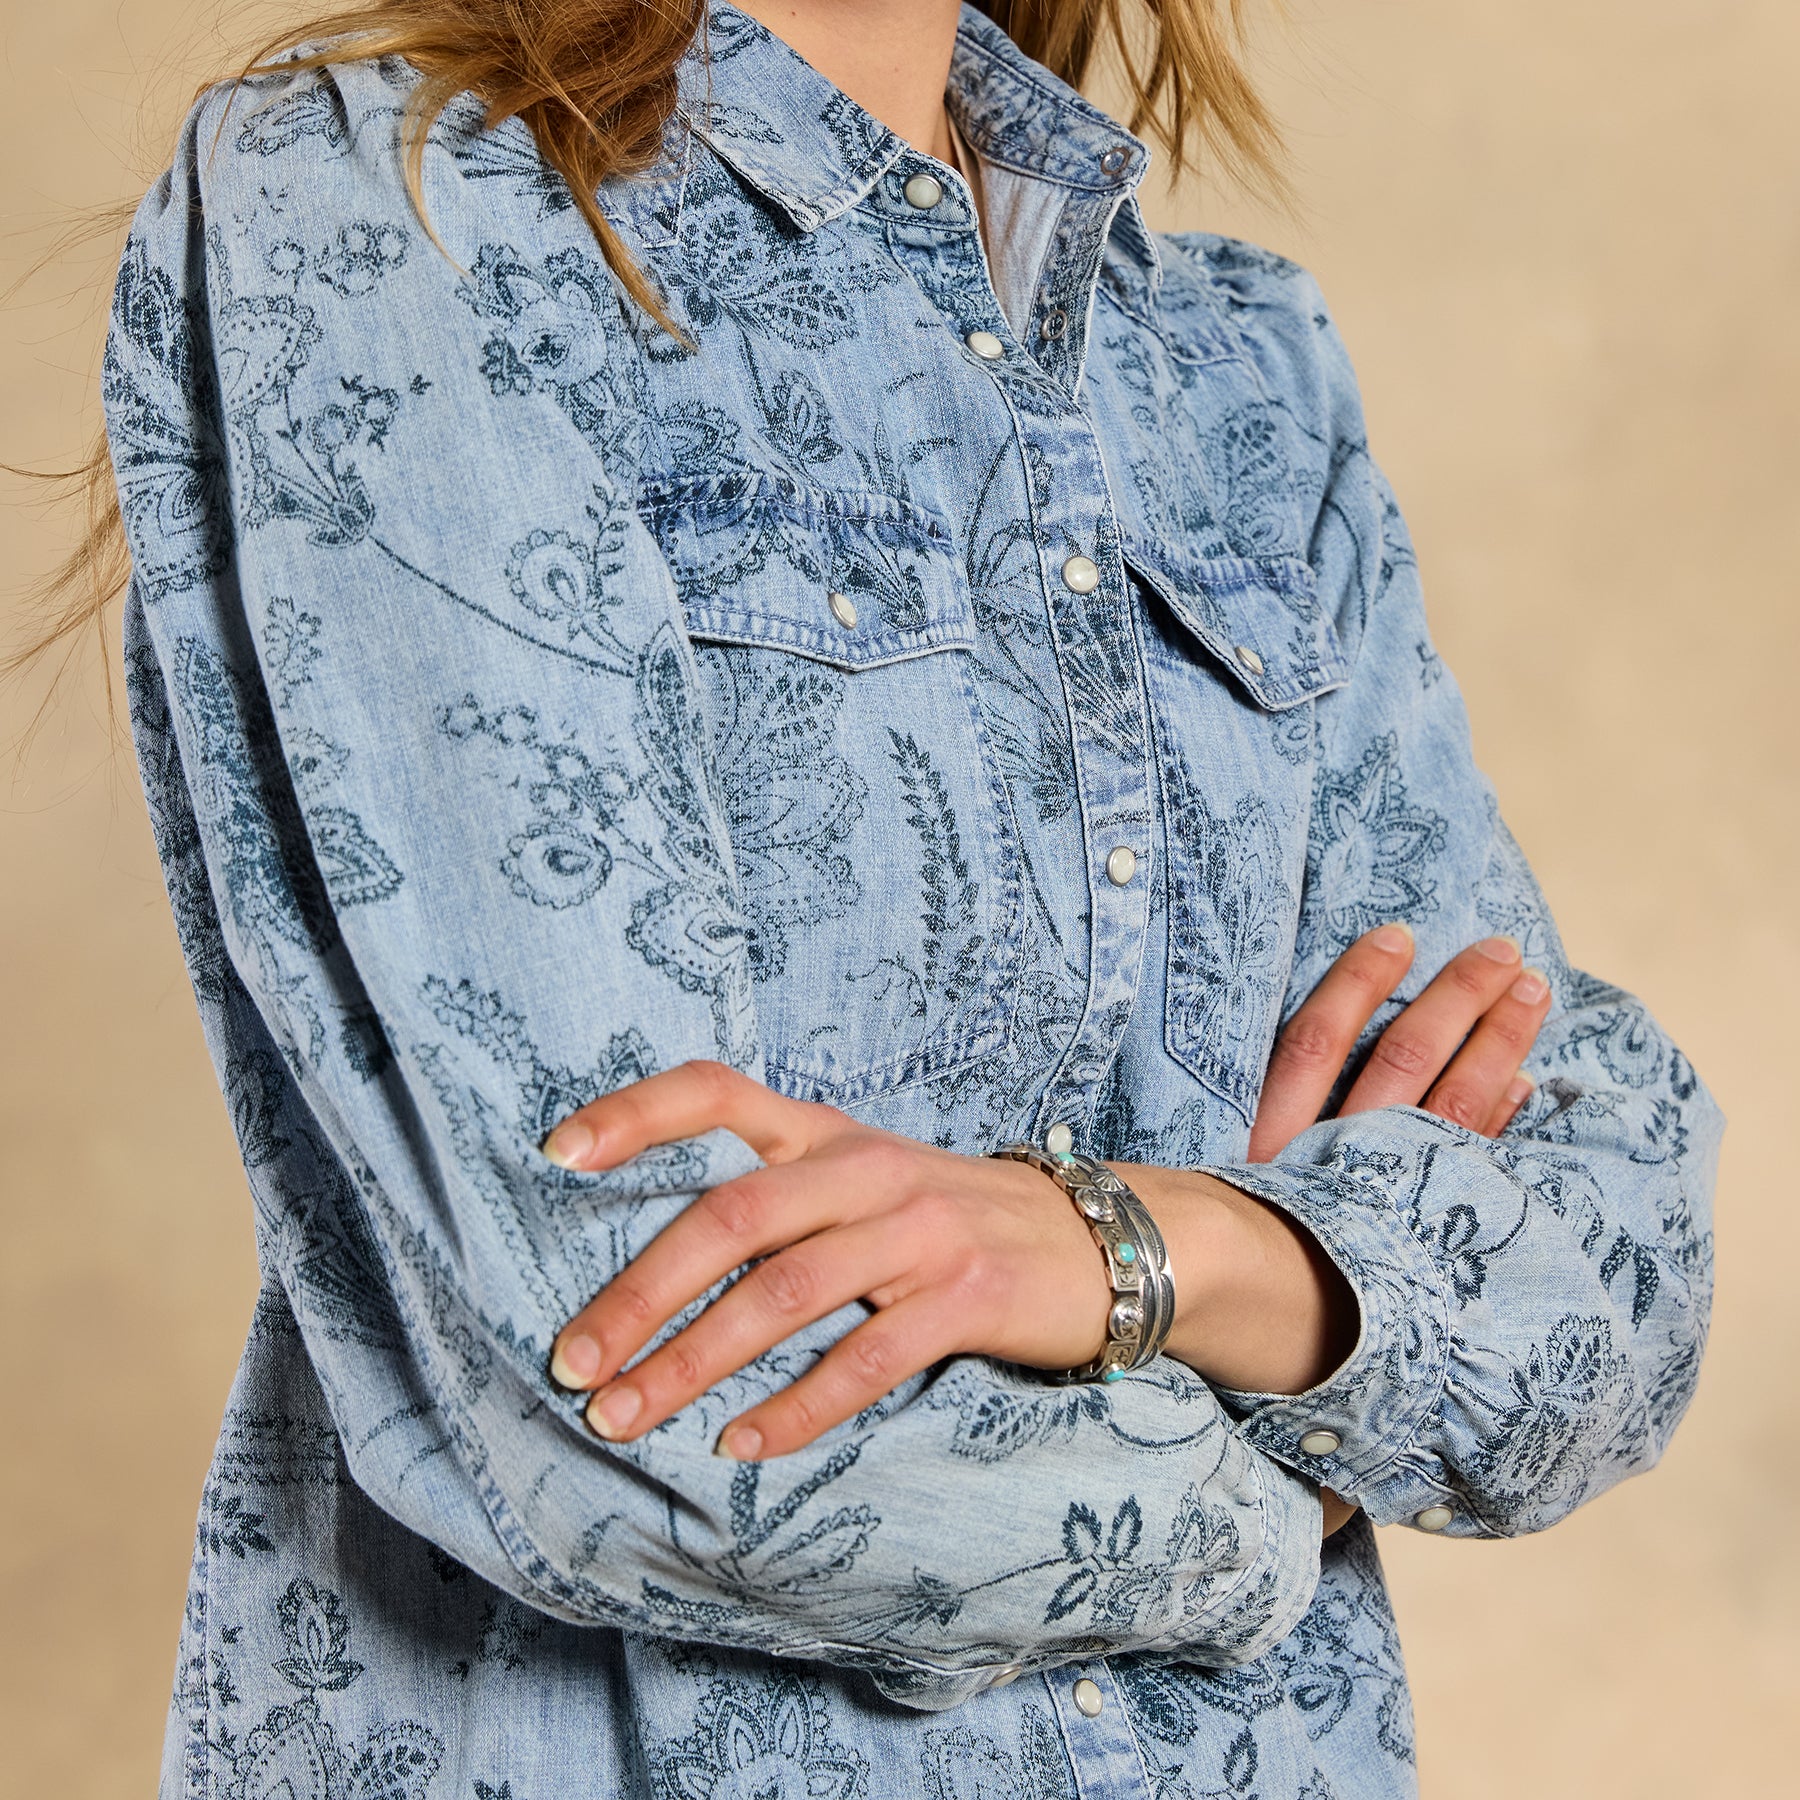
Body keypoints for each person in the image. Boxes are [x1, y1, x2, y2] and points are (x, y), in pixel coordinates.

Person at [60, 0, 1717, 1794]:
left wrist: (1137, 1248)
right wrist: (1295, 1469)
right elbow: (632, 1398)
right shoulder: (387, 205)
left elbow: (1609, 1263)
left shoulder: (1241, 368)